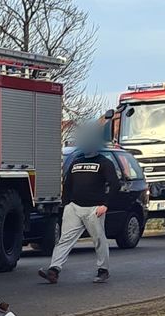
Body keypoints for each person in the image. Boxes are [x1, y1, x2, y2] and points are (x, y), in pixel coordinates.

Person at [40, 121, 112, 285]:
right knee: (65, 239)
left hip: (95, 208)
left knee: (99, 239)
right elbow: (68, 184)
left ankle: (103, 270)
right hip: (74, 207)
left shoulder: (105, 162)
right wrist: (67, 204)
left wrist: (105, 205)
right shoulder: (76, 162)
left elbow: (114, 184)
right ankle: (54, 270)